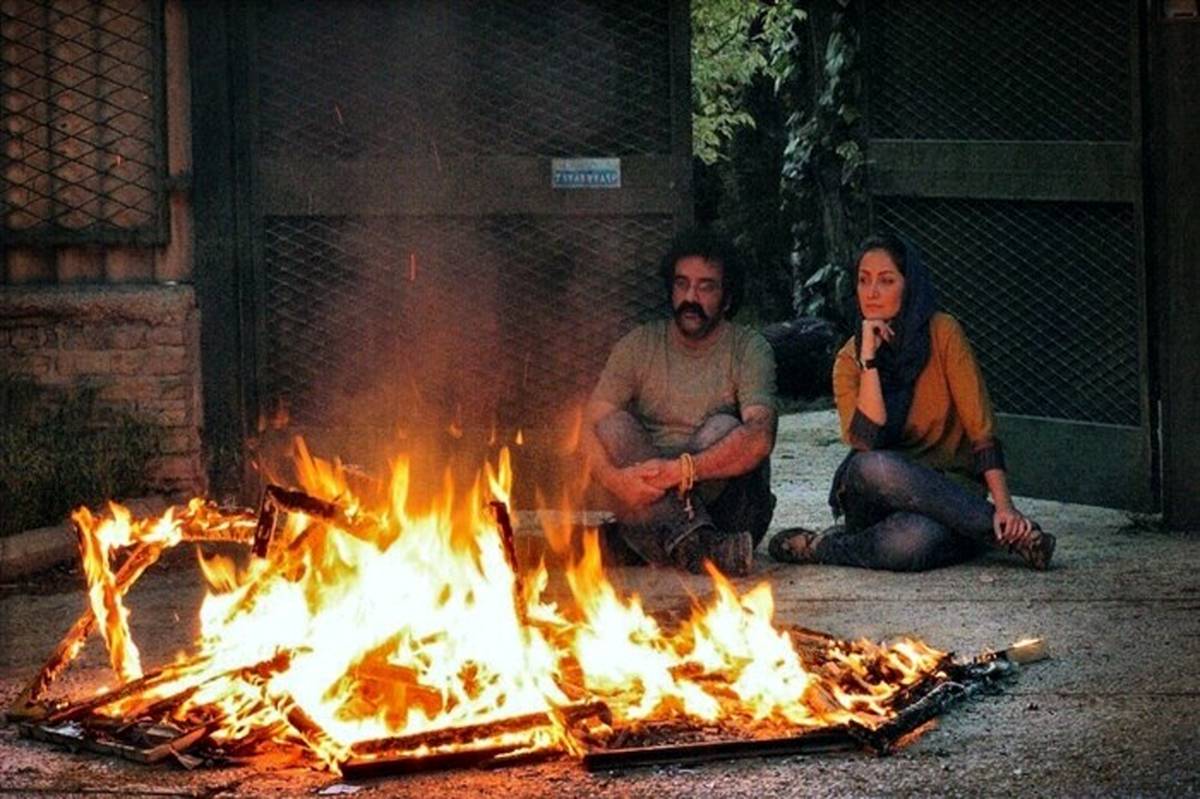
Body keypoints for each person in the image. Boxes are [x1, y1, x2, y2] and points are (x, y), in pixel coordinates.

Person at [768, 233, 1055, 572]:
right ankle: (1010, 535)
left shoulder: (943, 333)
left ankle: (825, 546)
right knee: (872, 465)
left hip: (949, 488)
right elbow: (866, 441)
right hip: (876, 493)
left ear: (909, 286)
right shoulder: (849, 359)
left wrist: (1005, 505)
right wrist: (870, 360)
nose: (872, 292)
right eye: (863, 281)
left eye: (886, 281)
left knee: (911, 543)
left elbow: (981, 430)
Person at [582, 228, 778, 576]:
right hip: (654, 500)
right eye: (682, 284)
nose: (691, 297)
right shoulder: (638, 345)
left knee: (723, 427)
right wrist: (614, 480)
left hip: (728, 512)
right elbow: (584, 426)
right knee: (613, 427)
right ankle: (699, 548)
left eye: (706, 287)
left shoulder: (749, 348)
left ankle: (642, 539)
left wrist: (680, 471)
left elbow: (760, 436)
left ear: (727, 297)